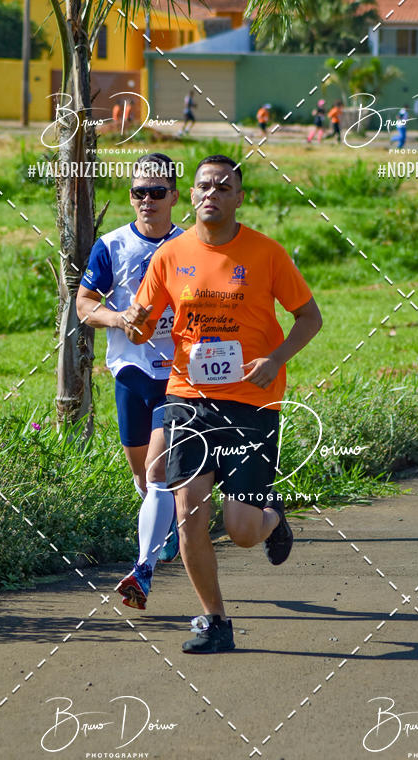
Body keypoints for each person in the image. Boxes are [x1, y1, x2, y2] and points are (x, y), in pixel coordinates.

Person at [123, 154, 323, 652]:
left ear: (239, 196)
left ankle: (271, 517)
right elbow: (145, 321)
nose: (210, 193)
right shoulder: (170, 256)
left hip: (253, 402)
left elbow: (309, 317)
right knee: (188, 509)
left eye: (222, 186)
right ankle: (215, 620)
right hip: (189, 396)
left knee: (241, 532)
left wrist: (275, 360)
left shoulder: (266, 253)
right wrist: (133, 321)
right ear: (189, 195)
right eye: (202, 186)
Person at [76, 153, 183, 609]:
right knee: (143, 476)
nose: (147, 200)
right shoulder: (113, 245)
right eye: (139, 191)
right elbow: (83, 304)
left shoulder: (193, 245)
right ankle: (169, 525)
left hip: (180, 376)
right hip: (131, 372)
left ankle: (143, 570)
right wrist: (119, 319)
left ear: (175, 197)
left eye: (157, 192)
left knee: (159, 472)